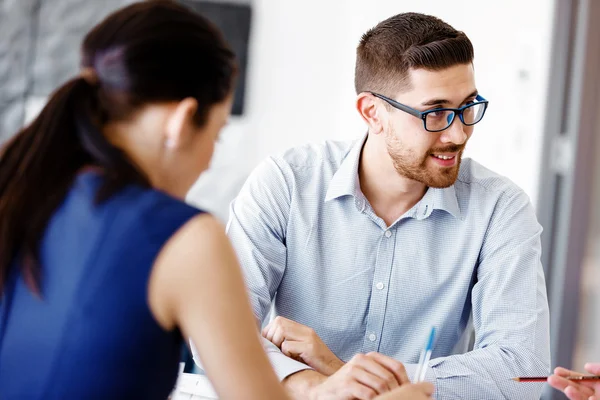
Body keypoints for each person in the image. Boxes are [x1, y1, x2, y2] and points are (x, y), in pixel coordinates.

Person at [0, 1, 433, 399]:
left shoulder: (23, 193)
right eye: (218, 133)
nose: (209, 160)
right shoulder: (186, 238)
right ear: (185, 119)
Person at [223, 11, 551, 400]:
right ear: (372, 112)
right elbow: (221, 329)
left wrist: (344, 373)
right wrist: (313, 388)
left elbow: (523, 370)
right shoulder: (287, 183)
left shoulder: (500, 208)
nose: (458, 132)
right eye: (435, 113)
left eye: (468, 106)